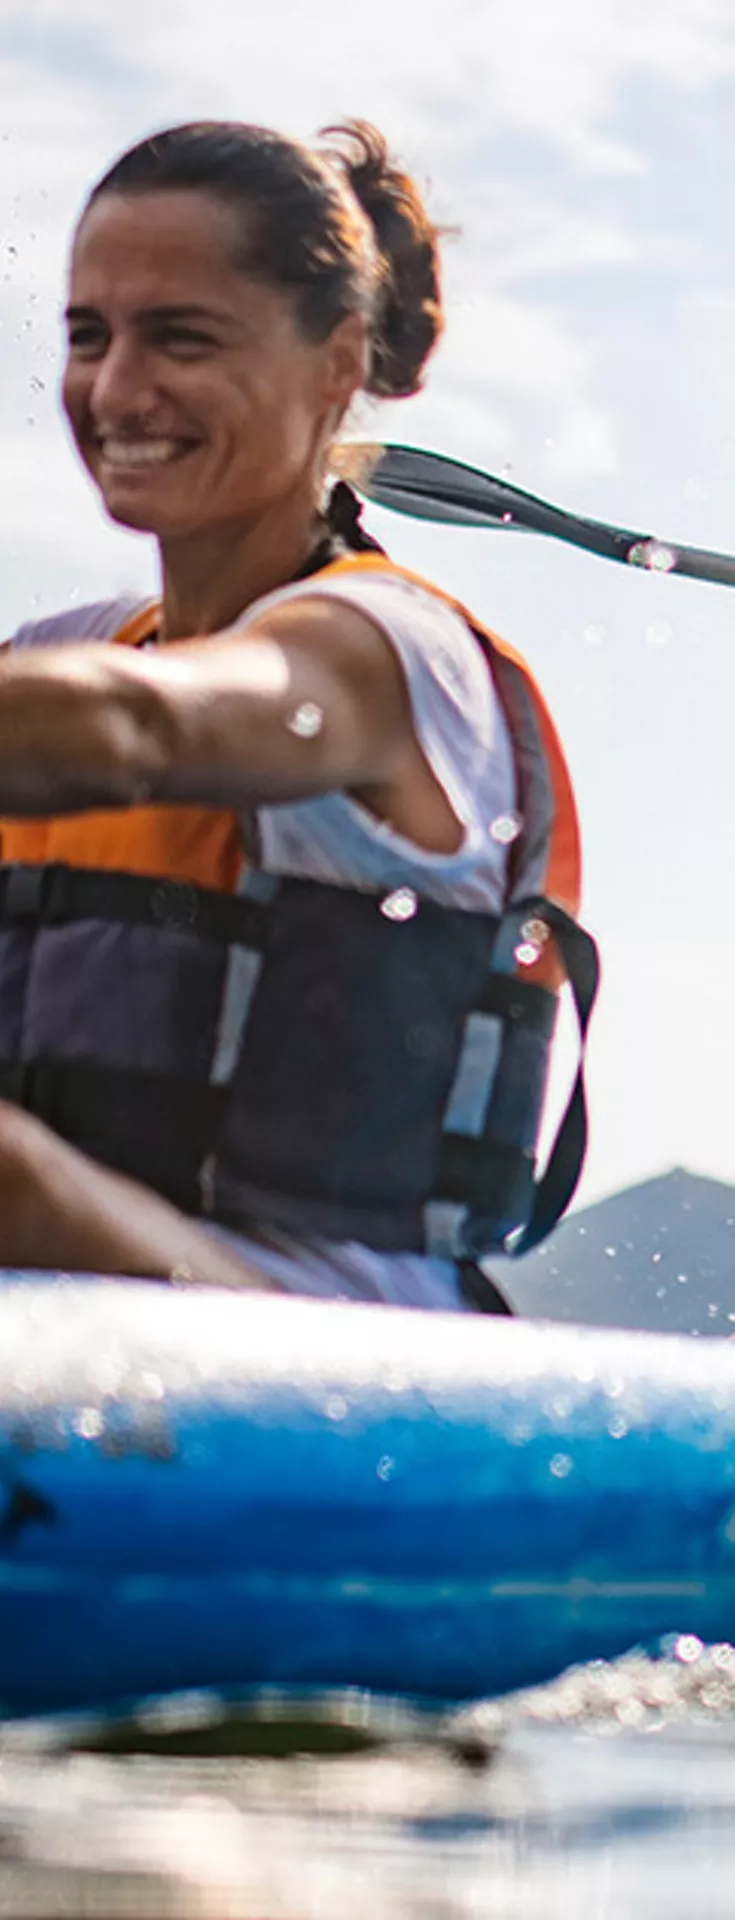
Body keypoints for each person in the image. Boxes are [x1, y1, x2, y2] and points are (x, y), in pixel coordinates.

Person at [0, 119, 594, 1310]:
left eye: (182, 339)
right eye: (88, 336)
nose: (117, 389)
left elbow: (140, 732)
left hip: (334, 1355)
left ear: (338, 363)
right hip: (86, 1325)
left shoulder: (382, 657)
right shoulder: (66, 649)